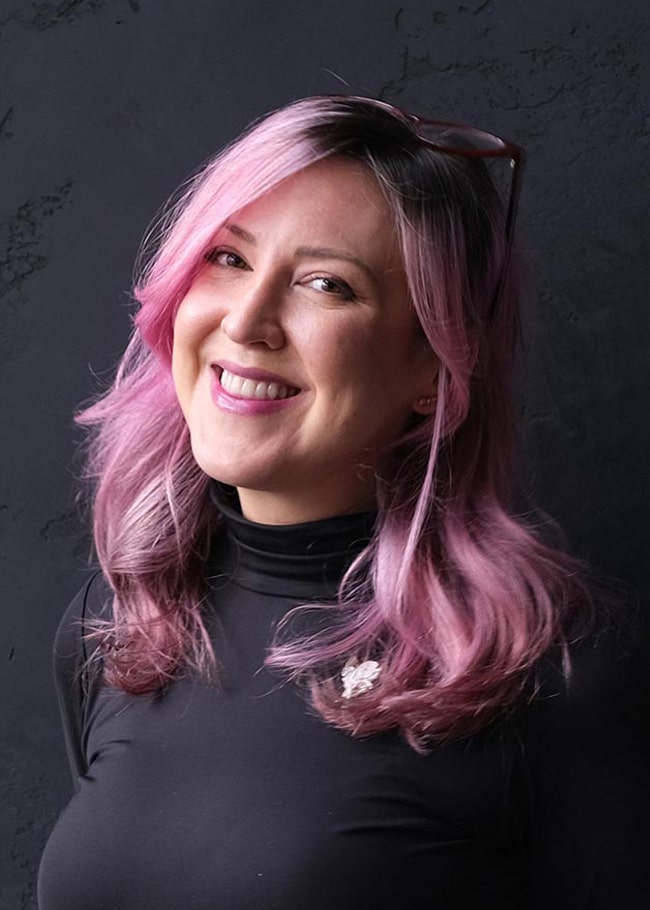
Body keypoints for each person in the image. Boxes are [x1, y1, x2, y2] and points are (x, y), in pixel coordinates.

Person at [38, 95, 649, 909]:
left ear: (435, 369)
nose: (247, 322)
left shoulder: (554, 677)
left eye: (328, 285)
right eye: (227, 259)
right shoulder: (118, 628)